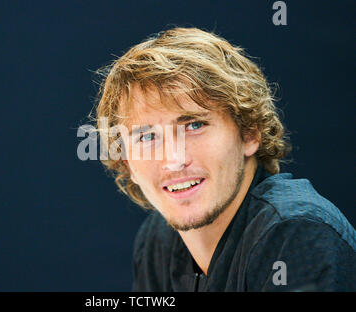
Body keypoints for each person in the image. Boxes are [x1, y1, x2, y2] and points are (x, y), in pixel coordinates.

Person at [92, 27, 356, 291]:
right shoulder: (158, 241)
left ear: (250, 132)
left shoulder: (297, 234)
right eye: (147, 137)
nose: (174, 160)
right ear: (127, 162)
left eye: (194, 125)